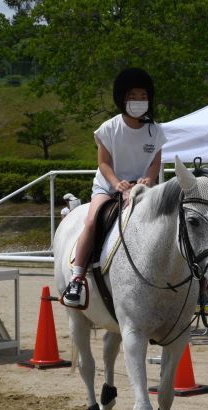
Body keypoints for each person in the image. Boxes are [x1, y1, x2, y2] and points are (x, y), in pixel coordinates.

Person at [62, 68, 166, 307]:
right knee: (91, 220)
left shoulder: (155, 130)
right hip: (108, 186)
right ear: (122, 98)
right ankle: (77, 276)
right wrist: (116, 183)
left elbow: (155, 164)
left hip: (141, 189)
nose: (139, 101)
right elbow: (103, 162)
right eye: (133, 96)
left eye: (143, 96)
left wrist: (148, 179)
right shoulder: (109, 128)